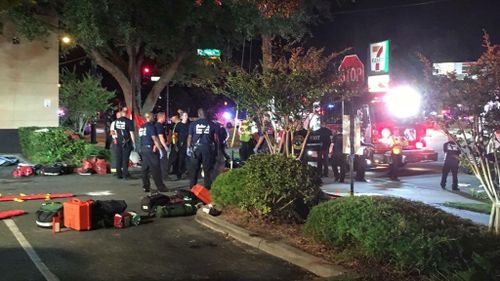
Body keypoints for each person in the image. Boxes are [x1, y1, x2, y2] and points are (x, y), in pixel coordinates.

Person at [187, 108, 218, 189]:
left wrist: (188, 147)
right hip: (207, 148)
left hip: (196, 148)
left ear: (198, 114)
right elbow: (216, 139)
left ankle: (192, 187)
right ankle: (207, 188)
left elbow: (189, 137)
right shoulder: (212, 124)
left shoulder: (193, 124)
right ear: (206, 114)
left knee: (194, 169)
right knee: (207, 169)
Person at [139, 112, 168, 192]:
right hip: (150, 149)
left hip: (143, 149)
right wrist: (160, 149)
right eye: (153, 116)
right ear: (149, 117)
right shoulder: (150, 126)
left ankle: (146, 186)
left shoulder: (142, 127)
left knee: (145, 169)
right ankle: (161, 187)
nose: (154, 118)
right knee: (156, 169)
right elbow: (154, 138)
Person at [167, 111, 190, 180]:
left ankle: (185, 171)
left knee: (185, 159)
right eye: (184, 115)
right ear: (181, 117)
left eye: (187, 115)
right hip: (179, 144)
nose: (186, 117)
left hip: (186, 144)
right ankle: (178, 173)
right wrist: (175, 144)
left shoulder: (189, 125)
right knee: (179, 159)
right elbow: (174, 135)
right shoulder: (178, 125)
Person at [114, 110, 135, 179]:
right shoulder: (129, 121)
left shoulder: (116, 121)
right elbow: (131, 133)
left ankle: (118, 174)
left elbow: (116, 132)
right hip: (126, 142)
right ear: (126, 114)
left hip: (118, 142)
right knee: (125, 159)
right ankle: (125, 174)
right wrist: (133, 142)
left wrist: (116, 139)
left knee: (118, 158)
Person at [155, 112, 170, 181]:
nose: (165, 118)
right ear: (161, 117)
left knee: (160, 161)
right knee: (164, 162)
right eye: (164, 117)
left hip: (158, 146)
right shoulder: (159, 126)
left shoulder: (156, 125)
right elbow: (161, 137)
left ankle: (160, 175)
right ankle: (164, 176)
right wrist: (165, 146)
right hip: (161, 146)